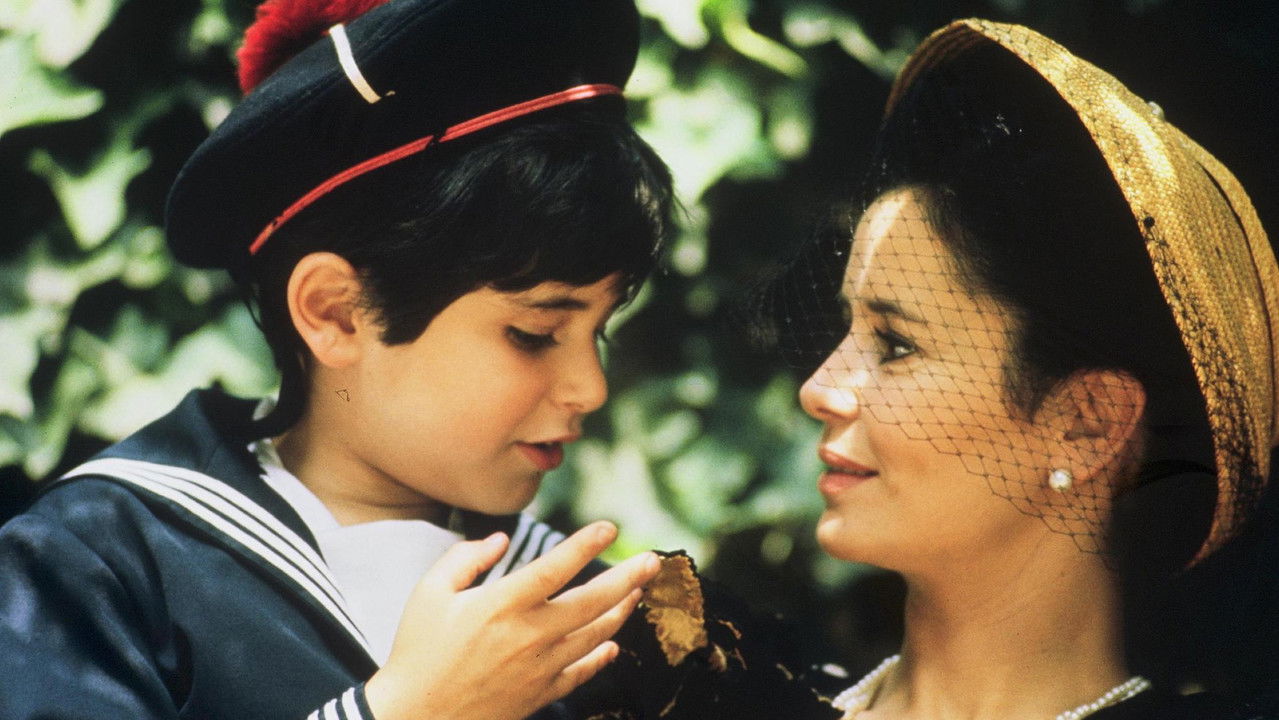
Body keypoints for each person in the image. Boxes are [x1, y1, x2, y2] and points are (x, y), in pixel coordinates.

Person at [0, 0, 674, 718]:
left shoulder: (595, 616)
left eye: (597, 332)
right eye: (535, 333)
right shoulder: (99, 570)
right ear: (335, 313)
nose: (589, 388)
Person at [789, 19, 1279, 720]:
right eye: (847, 330)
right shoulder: (713, 689)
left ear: (1086, 424)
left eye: (896, 345)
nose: (817, 389)